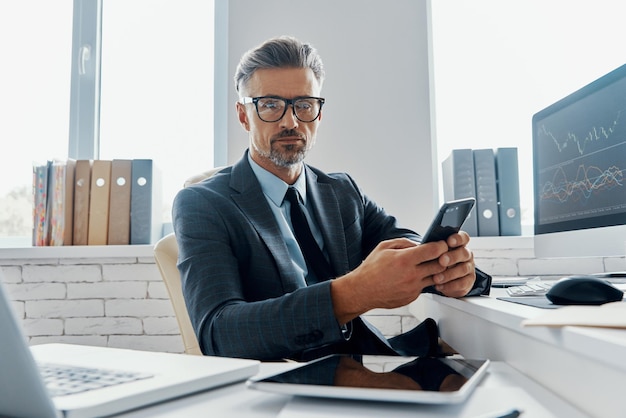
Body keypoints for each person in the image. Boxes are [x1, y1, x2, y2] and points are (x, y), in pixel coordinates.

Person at [172, 36, 491, 362]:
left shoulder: (341, 192)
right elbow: (218, 333)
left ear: (319, 114)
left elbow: (404, 243)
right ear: (243, 116)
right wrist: (355, 292)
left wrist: (450, 271)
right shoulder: (202, 203)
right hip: (278, 384)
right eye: (270, 105)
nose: (290, 122)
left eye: (304, 105)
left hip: (363, 366)